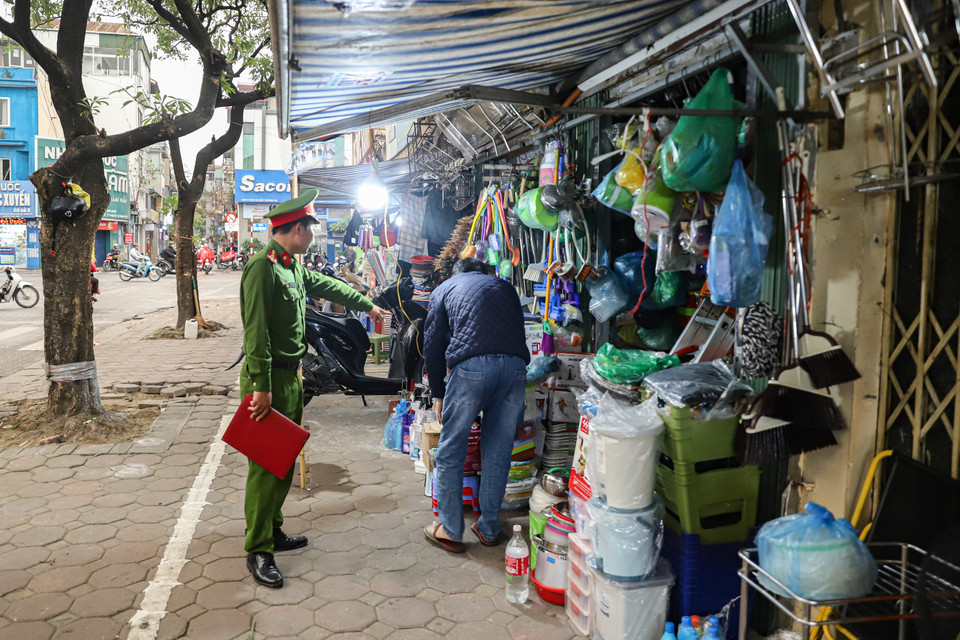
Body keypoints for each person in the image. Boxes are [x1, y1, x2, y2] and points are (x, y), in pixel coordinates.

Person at [240, 188, 385, 589]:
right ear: (296, 229)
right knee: (265, 467)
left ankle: (274, 530)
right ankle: (258, 548)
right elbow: (255, 334)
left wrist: (366, 304)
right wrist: (260, 387)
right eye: (310, 228)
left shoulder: (290, 267)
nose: (312, 235)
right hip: (268, 381)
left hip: (291, 377)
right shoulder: (262, 268)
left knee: (283, 462)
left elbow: (326, 284)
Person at [422, 257, 530, 553]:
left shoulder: (445, 288)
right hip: (515, 369)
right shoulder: (505, 287)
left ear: (457, 274)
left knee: (451, 449)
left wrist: (438, 392)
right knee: (498, 449)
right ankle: (489, 527)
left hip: (471, 369)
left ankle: (451, 530)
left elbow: (431, 345)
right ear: (485, 274)